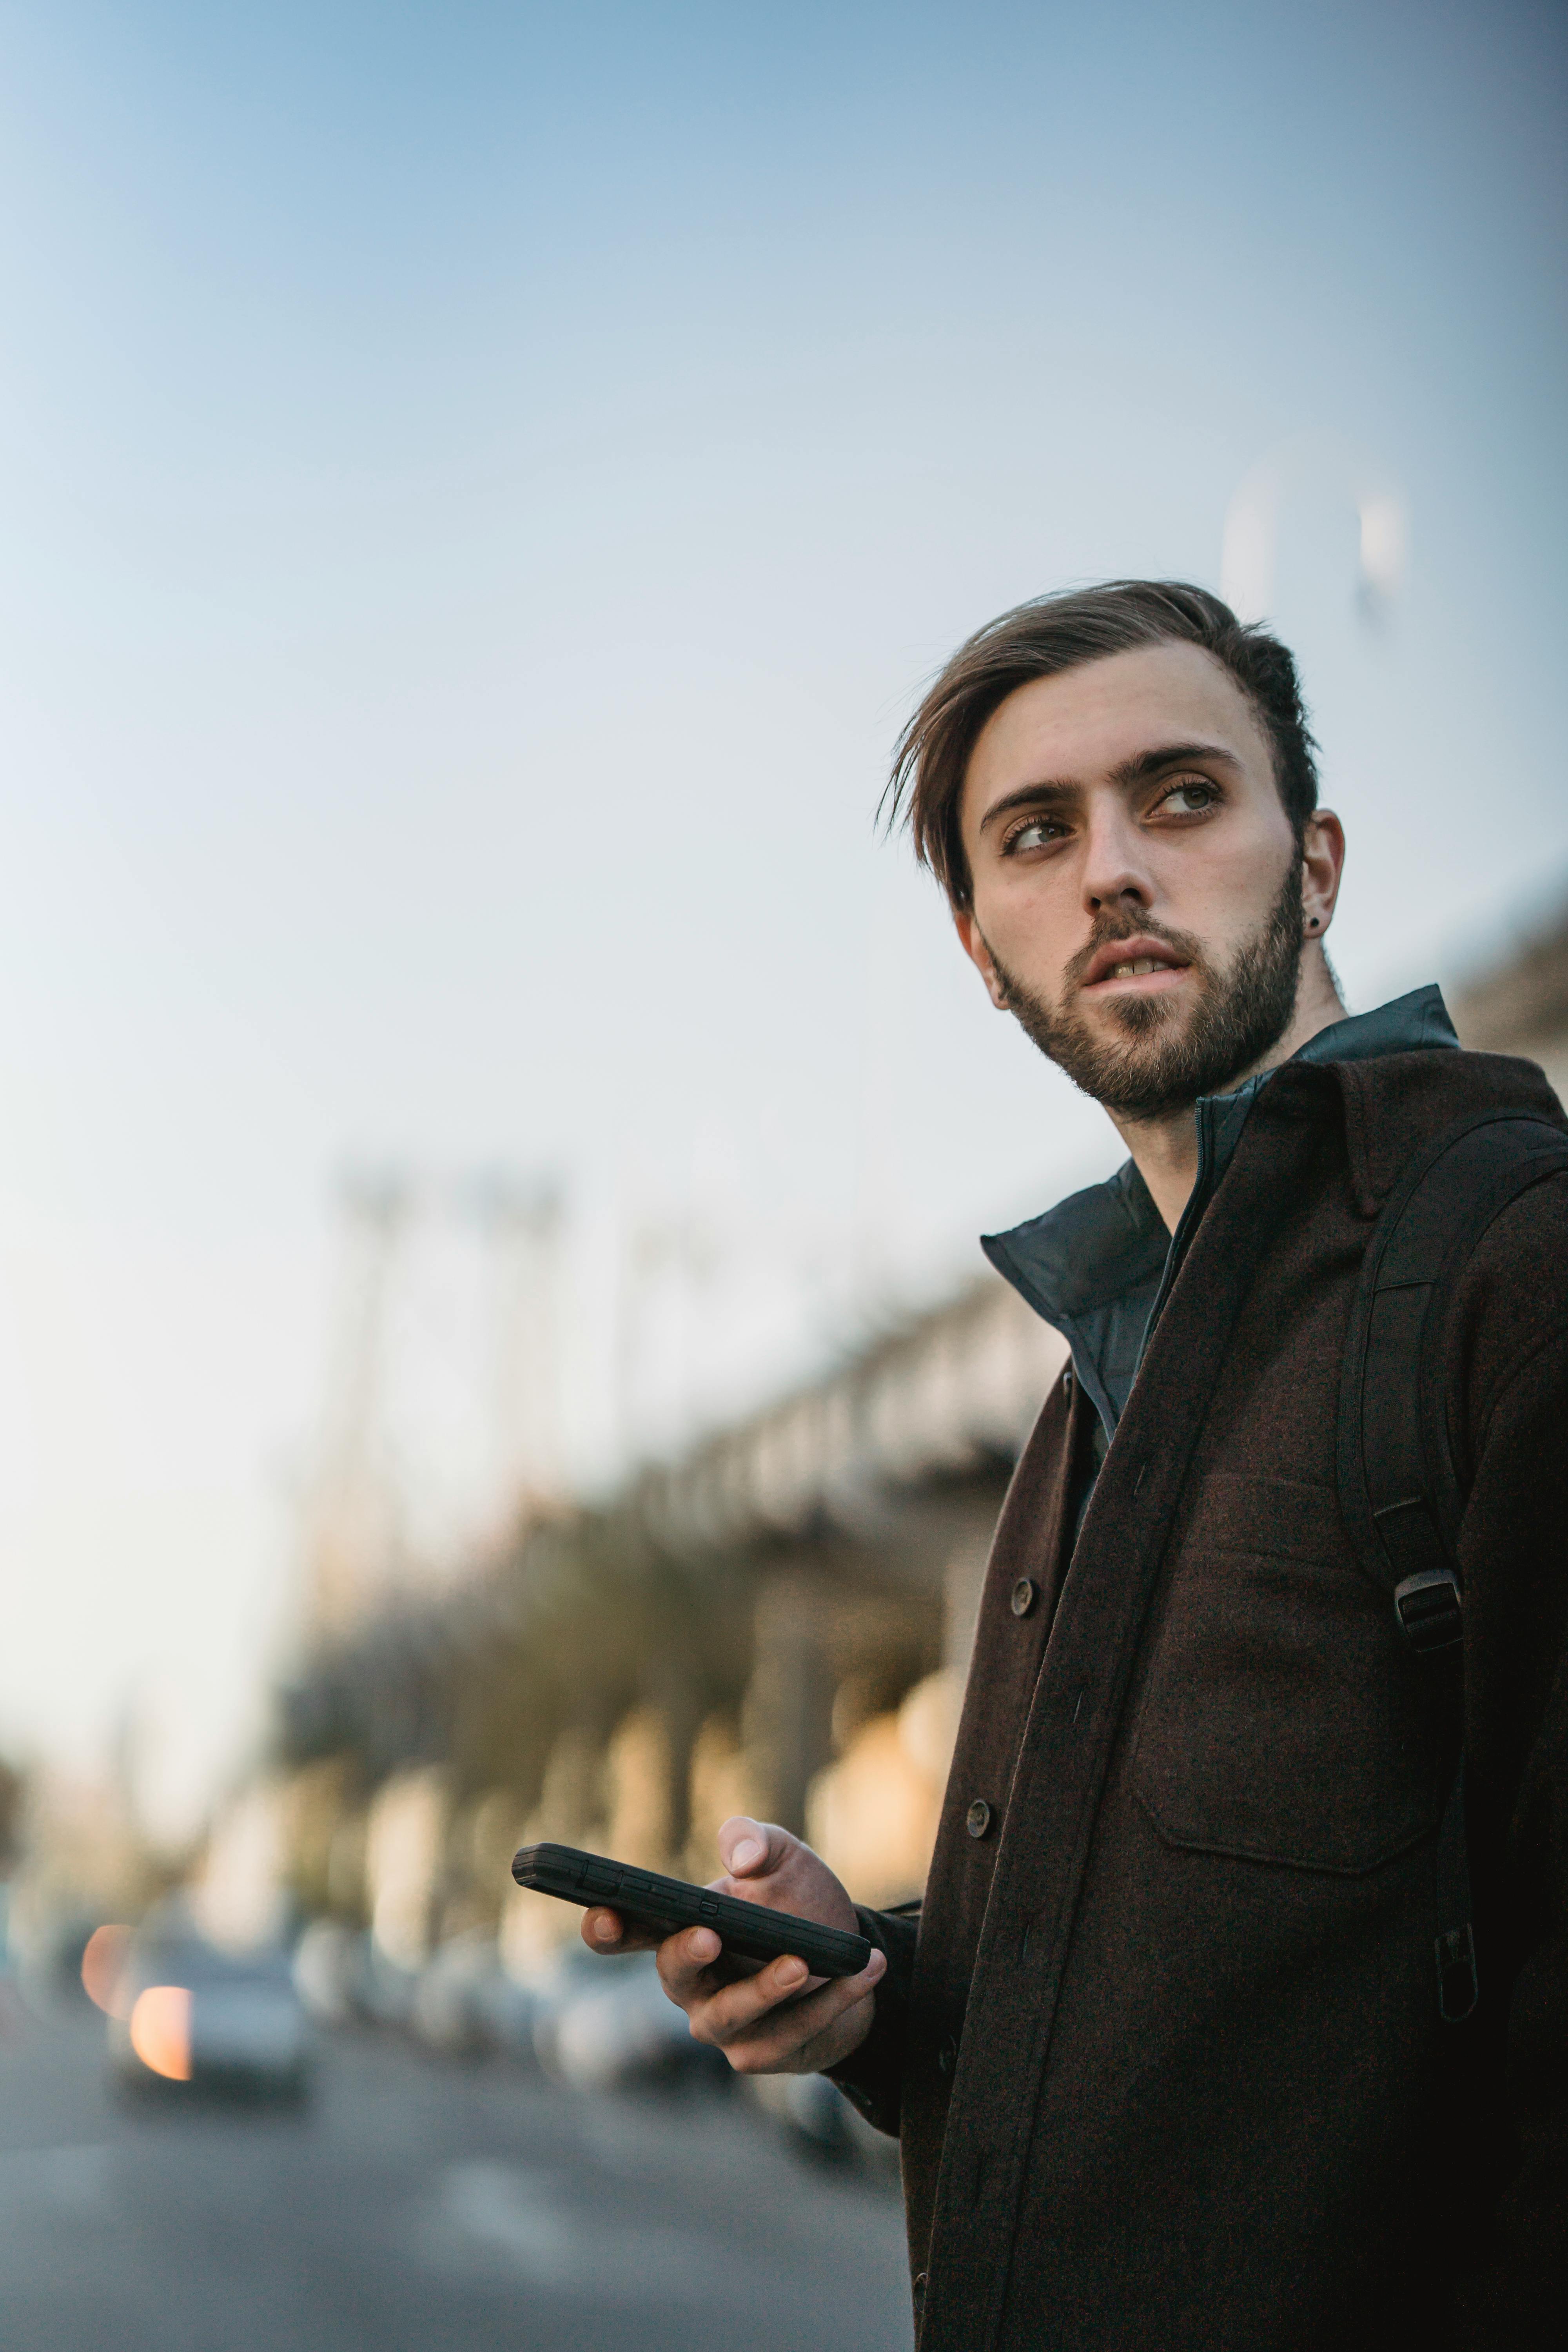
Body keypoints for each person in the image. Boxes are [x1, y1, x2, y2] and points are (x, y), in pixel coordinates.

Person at [581, 582, 1568, 2348]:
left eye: (1179, 797)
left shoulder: (1510, 1267)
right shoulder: (1097, 1388)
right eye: (1035, 836)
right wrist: (873, 1991)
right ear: (984, 952)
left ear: (1317, 864)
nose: (1111, 867)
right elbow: (1209, 1997)